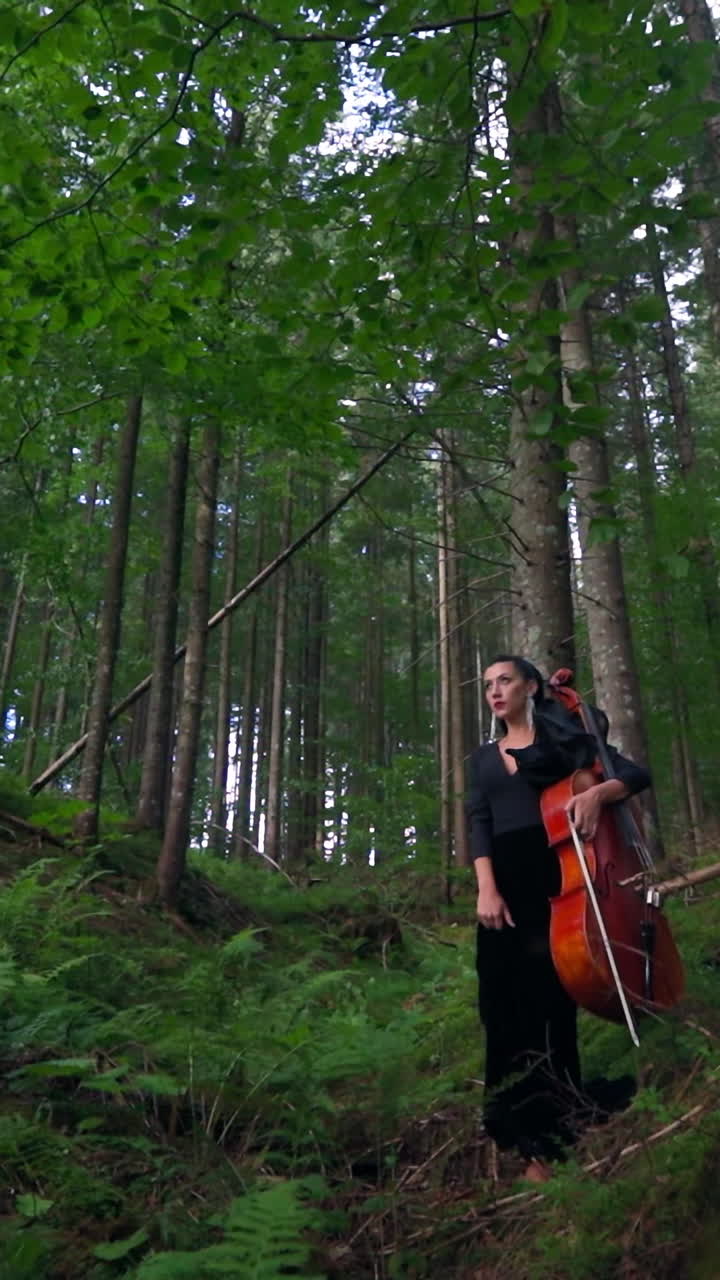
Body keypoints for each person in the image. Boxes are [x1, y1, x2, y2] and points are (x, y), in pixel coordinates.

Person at [466, 655, 650, 1183]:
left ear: (530, 688)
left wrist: (597, 791)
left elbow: (635, 774)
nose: (495, 692)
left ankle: (549, 1132)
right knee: (499, 1003)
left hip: (553, 880)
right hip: (500, 887)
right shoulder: (481, 759)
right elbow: (479, 823)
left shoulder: (563, 744)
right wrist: (486, 888)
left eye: (504, 681)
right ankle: (510, 1119)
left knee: (548, 1001)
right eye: (488, 686)